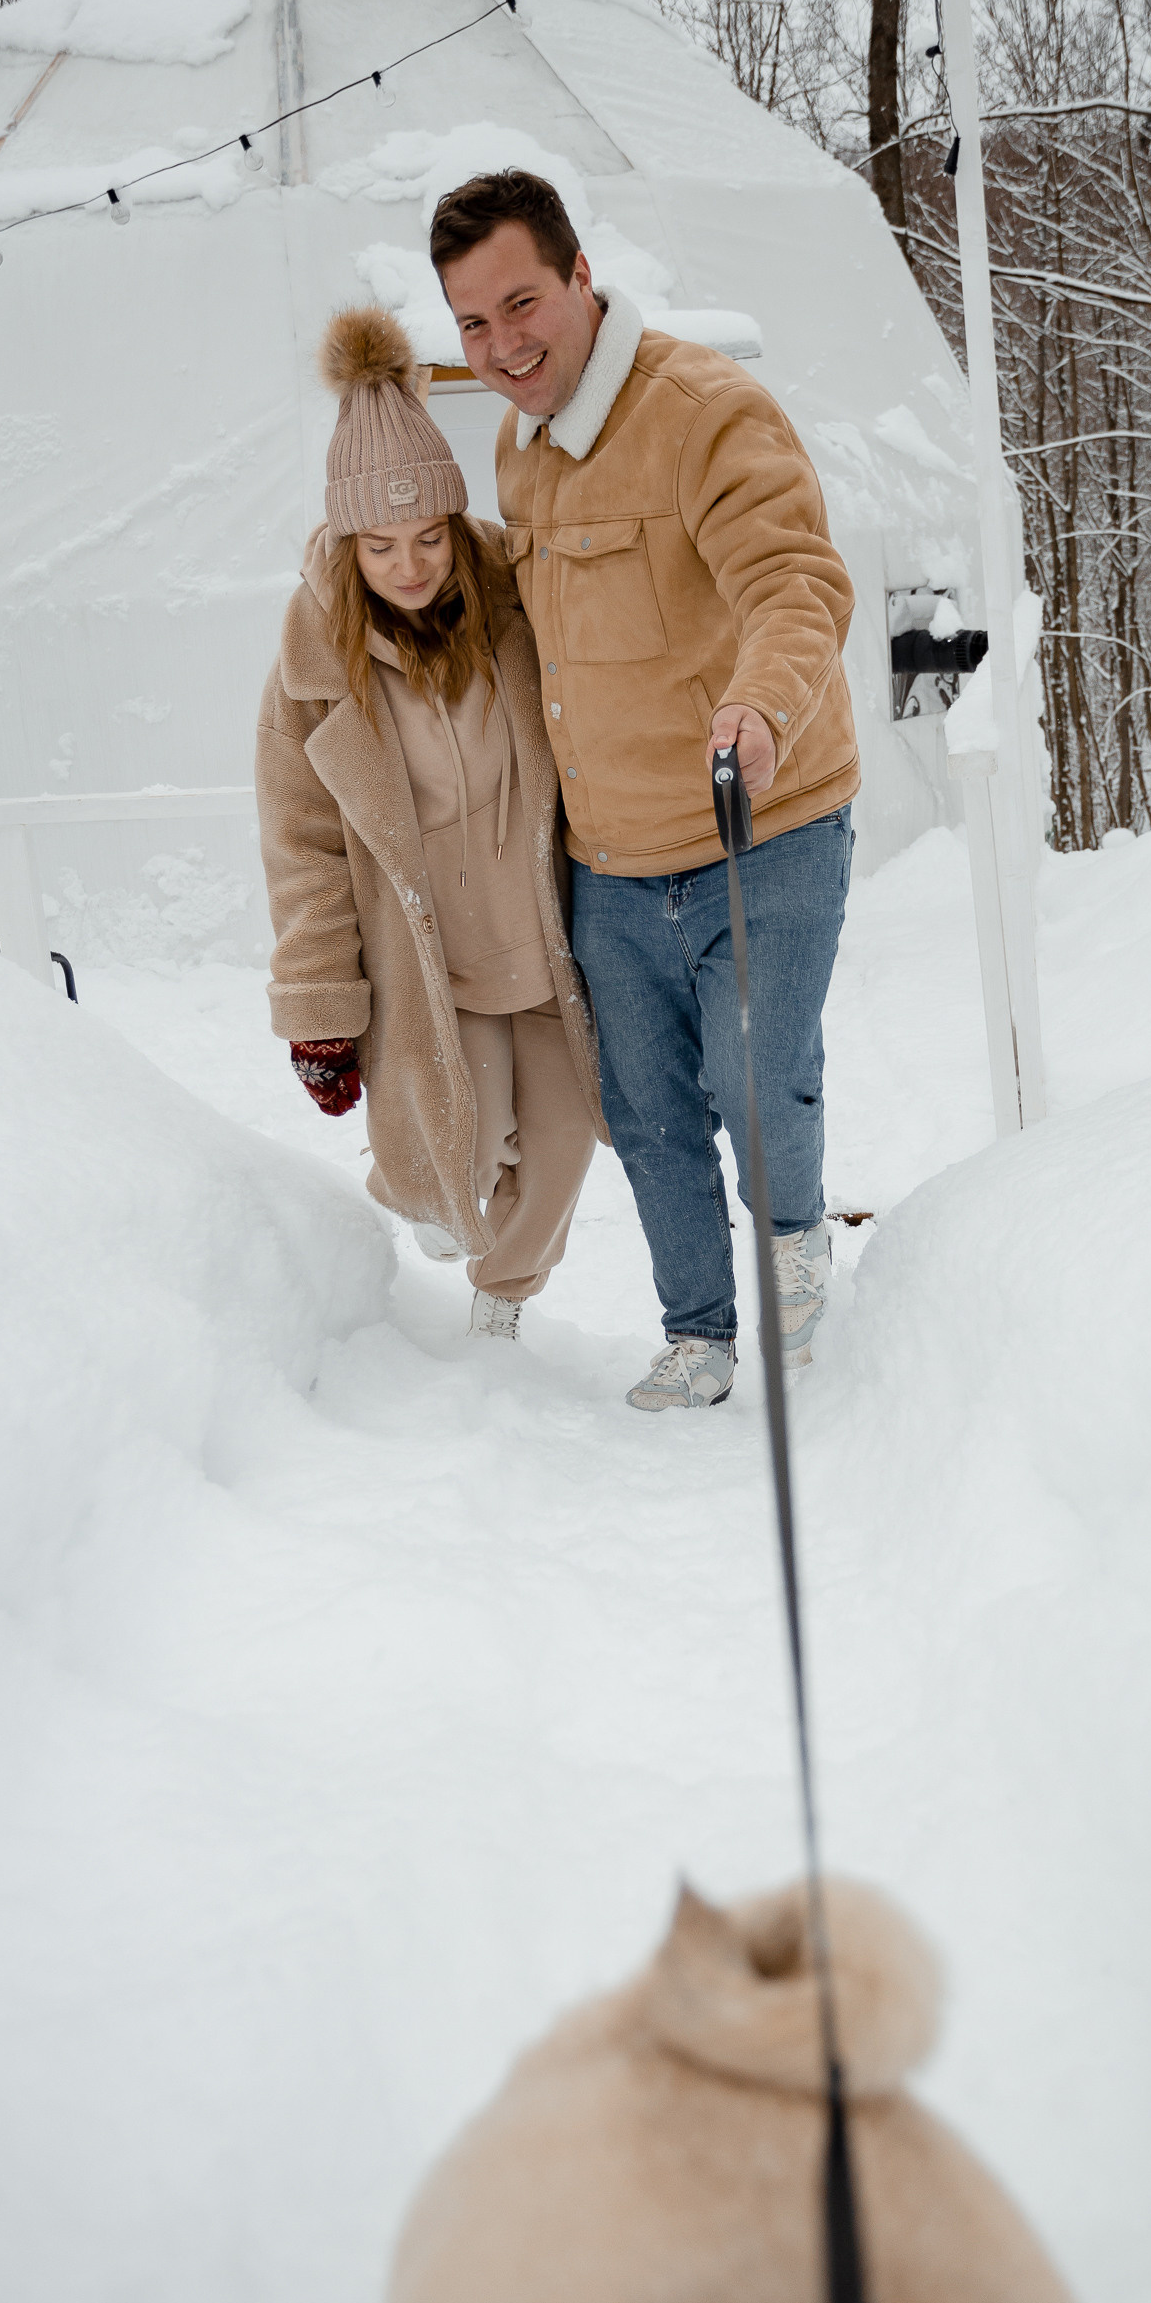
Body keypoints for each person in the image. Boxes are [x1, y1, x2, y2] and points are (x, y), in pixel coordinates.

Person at [429, 169, 859, 1415]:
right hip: (608, 854)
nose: (502, 344)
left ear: (578, 277)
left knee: (751, 1072)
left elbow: (794, 581)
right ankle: (698, 1333)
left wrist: (759, 706)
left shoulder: (704, 412)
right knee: (648, 1108)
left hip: (757, 818)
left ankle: (790, 1261)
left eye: (520, 303)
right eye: (471, 324)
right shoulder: (519, 446)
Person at [255, 305, 603, 1340]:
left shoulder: (514, 605)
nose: (407, 567)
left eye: (425, 539)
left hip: (539, 938)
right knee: (457, 1146)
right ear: (345, 545)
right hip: (429, 960)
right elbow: (301, 844)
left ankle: (500, 1306)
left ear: (453, 526)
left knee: (563, 1142)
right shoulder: (315, 669)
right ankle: (420, 1196)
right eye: (378, 546)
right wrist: (318, 1002)